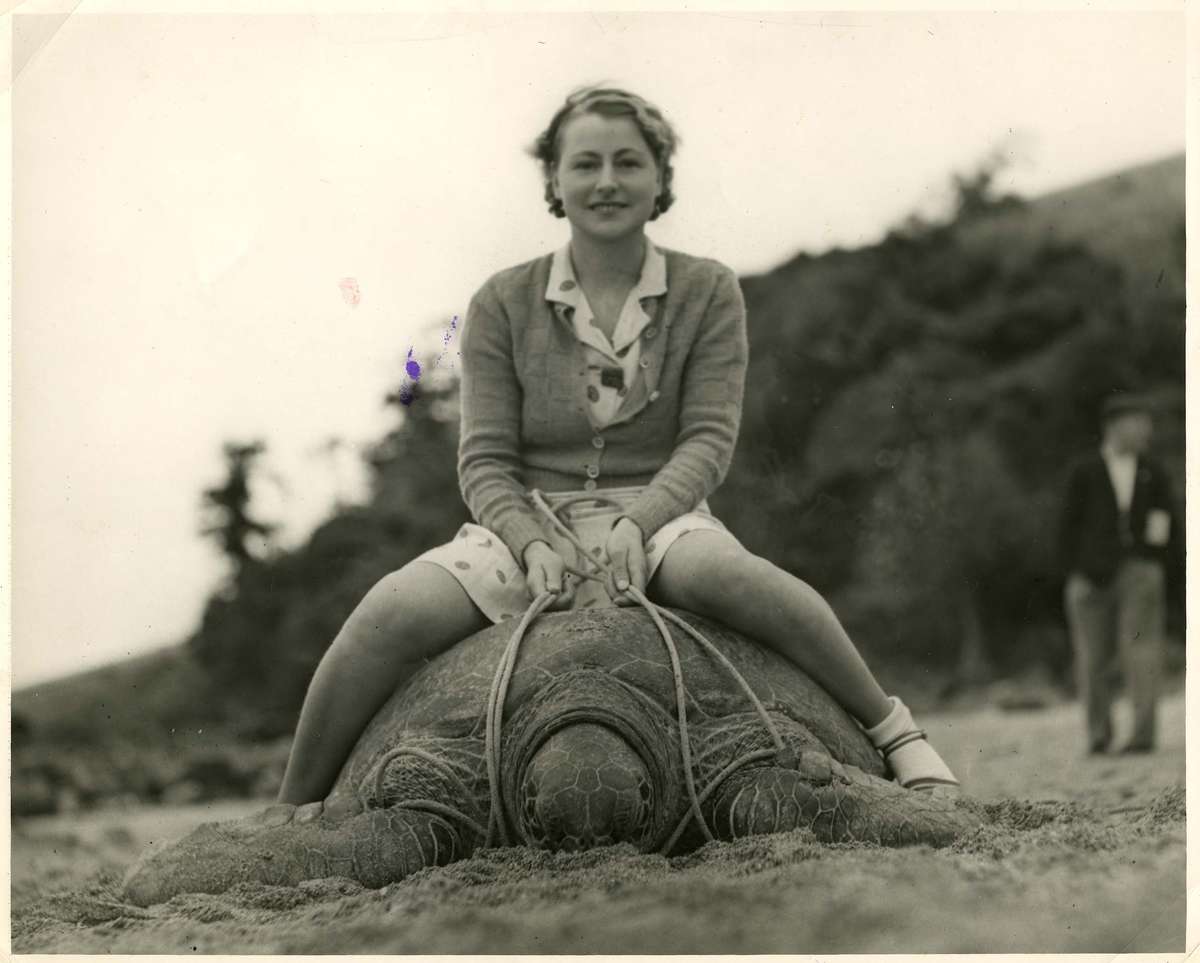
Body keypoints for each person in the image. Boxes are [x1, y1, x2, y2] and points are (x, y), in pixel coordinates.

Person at [275, 86, 959, 819]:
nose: (607, 181)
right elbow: (484, 461)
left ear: (661, 179)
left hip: (659, 513)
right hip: (528, 523)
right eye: (586, 164)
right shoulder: (501, 301)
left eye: (629, 162)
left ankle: (894, 728)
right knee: (388, 610)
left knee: (738, 580)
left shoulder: (708, 291)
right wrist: (532, 543)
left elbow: (706, 439)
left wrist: (640, 521)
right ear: (554, 181)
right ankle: (291, 805)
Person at [1058, 392, 1177, 755]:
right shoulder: (1084, 470)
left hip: (1139, 573)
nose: (1146, 431)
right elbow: (1066, 528)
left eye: (1147, 424)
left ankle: (1142, 736)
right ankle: (1098, 734)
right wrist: (1077, 572)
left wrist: (1152, 561)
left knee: (1141, 653)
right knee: (1091, 658)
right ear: (1113, 427)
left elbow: (1167, 521)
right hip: (1089, 578)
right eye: (1137, 424)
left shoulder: (1153, 470)